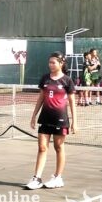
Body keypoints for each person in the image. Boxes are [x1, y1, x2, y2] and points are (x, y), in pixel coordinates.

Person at [27, 52, 77, 189]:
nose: (51, 65)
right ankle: (36, 178)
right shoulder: (45, 78)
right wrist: (34, 116)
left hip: (60, 119)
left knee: (58, 147)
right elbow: (41, 98)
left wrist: (75, 122)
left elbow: (72, 102)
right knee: (42, 147)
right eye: (49, 62)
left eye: (53, 62)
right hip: (45, 117)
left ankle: (58, 177)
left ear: (61, 63)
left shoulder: (67, 80)